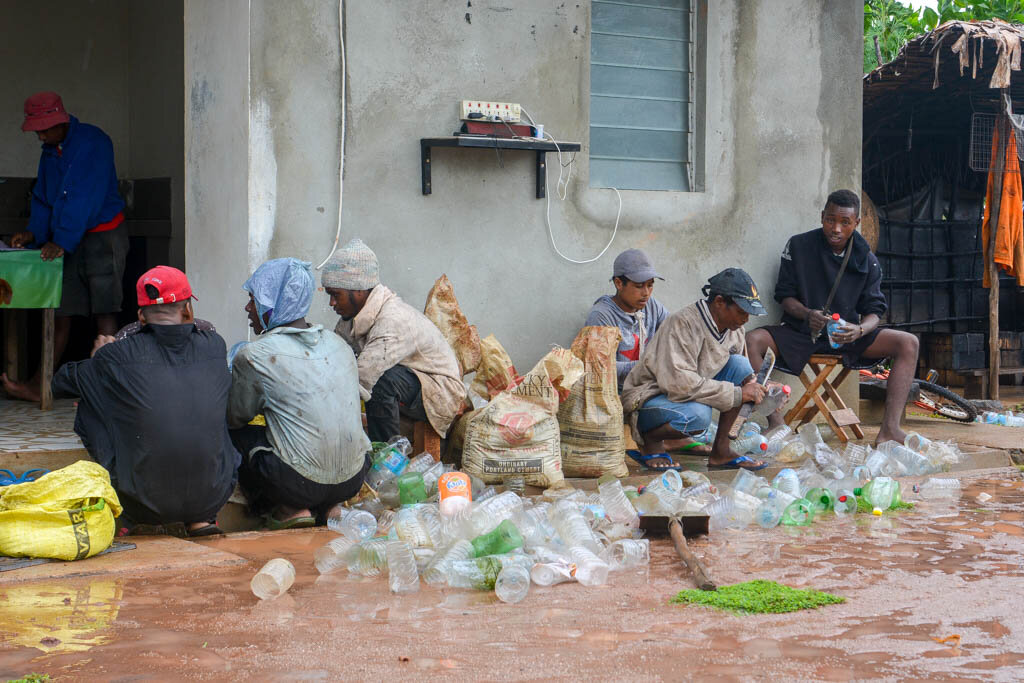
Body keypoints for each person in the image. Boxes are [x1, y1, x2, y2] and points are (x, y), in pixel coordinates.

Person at [51, 266, 237, 536]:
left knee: (90, 401)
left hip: (141, 501)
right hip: (213, 496)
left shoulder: (117, 354)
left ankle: (129, 517)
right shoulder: (215, 346)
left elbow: (60, 383)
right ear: (188, 310)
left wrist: (100, 358)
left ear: (140, 316)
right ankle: (202, 520)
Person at [745, 189, 919, 445]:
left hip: (845, 335)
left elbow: (875, 309)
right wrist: (807, 314)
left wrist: (859, 329)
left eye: (845, 222)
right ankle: (777, 424)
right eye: (830, 220)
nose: (836, 228)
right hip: (801, 331)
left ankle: (890, 429)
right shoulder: (799, 246)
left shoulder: (867, 259)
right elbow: (784, 295)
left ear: (856, 223)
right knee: (751, 340)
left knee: (909, 343)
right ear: (822, 217)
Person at [227, 258, 371, 529]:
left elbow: (236, 417)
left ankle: (290, 509)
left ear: (272, 304)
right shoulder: (338, 343)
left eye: (253, 299)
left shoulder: (255, 355)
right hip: (353, 478)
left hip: (296, 483)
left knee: (235, 435)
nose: (248, 308)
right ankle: (331, 508)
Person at [3, 92, 128, 403]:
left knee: (105, 310)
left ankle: (106, 390)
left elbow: (83, 199)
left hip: (103, 235)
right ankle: (40, 384)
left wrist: (61, 241)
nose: (41, 135)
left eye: (45, 129)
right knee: (60, 308)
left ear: (61, 120)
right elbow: (44, 198)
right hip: (67, 239)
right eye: (37, 131)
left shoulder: (93, 142)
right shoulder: (49, 151)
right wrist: (34, 233)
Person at [621, 268, 770, 472]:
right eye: (741, 312)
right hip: (650, 396)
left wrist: (758, 386)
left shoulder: (735, 328)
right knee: (699, 416)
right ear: (719, 302)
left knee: (741, 367)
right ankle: (650, 440)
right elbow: (678, 384)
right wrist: (737, 393)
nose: (746, 319)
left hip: (688, 392)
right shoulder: (682, 323)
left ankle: (721, 451)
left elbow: (742, 375)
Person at [321, 238, 465, 443]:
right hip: (410, 383)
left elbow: (361, 379)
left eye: (336, 295)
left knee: (380, 381)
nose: (332, 303)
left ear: (360, 290)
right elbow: (333, 357)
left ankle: (387, 456)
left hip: (440, 392)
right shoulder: (351, 318)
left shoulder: (392, 321)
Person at [584, 248, 668, 390]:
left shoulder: (652, 306)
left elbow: (674, 334)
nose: (646, 293)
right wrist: (649, 366)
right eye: (639, 286)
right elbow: (600, 367)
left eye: (650, 285)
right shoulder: (602, 315)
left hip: (649, 387)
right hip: (617, 394)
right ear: (618, 283)